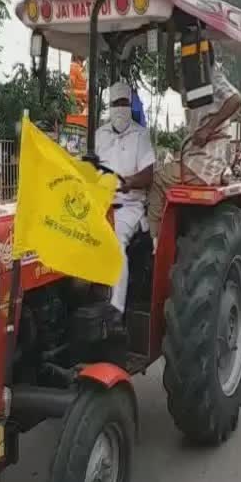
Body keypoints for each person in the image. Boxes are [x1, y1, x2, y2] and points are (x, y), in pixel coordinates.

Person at [148, 43, 241, 243]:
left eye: (187, 57)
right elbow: (173, 82)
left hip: (203, 163)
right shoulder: (196, 82)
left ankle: (153, 242)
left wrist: (208, 129)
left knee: (156, 179)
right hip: (196, 159)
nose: (184, 62)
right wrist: (171, 35)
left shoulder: (211, 76)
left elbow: (236, 99)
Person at [96, 81, 155, 313]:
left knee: (115, 241)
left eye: (124, 103)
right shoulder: (99, 135)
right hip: (99, 204)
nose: (120, 108)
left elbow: (149, 173)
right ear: (109, 107)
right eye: (115, 104)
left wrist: (128, 182)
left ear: (130, 106)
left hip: (128, 206)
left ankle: (115, 311)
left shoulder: (140, 136)